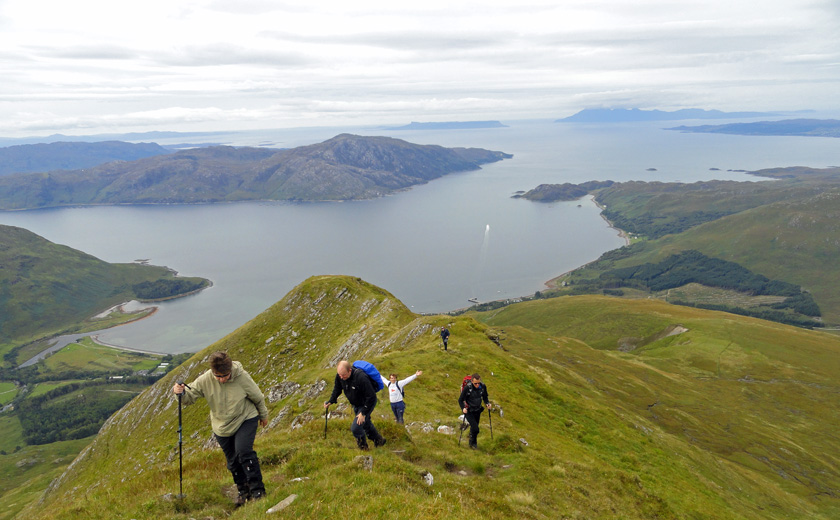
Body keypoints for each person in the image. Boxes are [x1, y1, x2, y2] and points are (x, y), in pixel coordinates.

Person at [172, 351, 269, 506]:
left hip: (245, 418)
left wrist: (263, 415)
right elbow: (190, 398)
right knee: (232, 461)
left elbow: (257, 397)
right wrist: (181, 393)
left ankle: (258, 491)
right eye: (218, 376)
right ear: (213, 372)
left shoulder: (242, 377)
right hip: (221, 426)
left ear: (230, 370)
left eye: (225, 375)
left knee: (244, 451)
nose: (222, 379)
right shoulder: (205, 380)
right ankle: (243, 491)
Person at [324, 360, 386, 450]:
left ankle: (363, 449)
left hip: (366, 403)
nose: (341, 377)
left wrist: (363, 412)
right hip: (356, 404)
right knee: (365, 424)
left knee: (356, 427)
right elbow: (337, 388)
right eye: (339, 375)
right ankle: (379, 441)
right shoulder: (340, 376)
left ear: (349, 370)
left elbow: (371, 396)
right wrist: (331, 401)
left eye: (343, 375)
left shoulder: (361, 377)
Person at [457, 373, 491, 449]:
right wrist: (463, 408)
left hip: (478, 410)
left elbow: (485, 397)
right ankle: (472, 442)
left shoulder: (483, 386)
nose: (477, 385)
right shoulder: (467, 388)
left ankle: (473, 444)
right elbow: (460, 400)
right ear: (472, 381)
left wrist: (487, 403)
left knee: (475, 427)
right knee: (476, 428)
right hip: (469, 410)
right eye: (475, 383)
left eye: (478, 383)